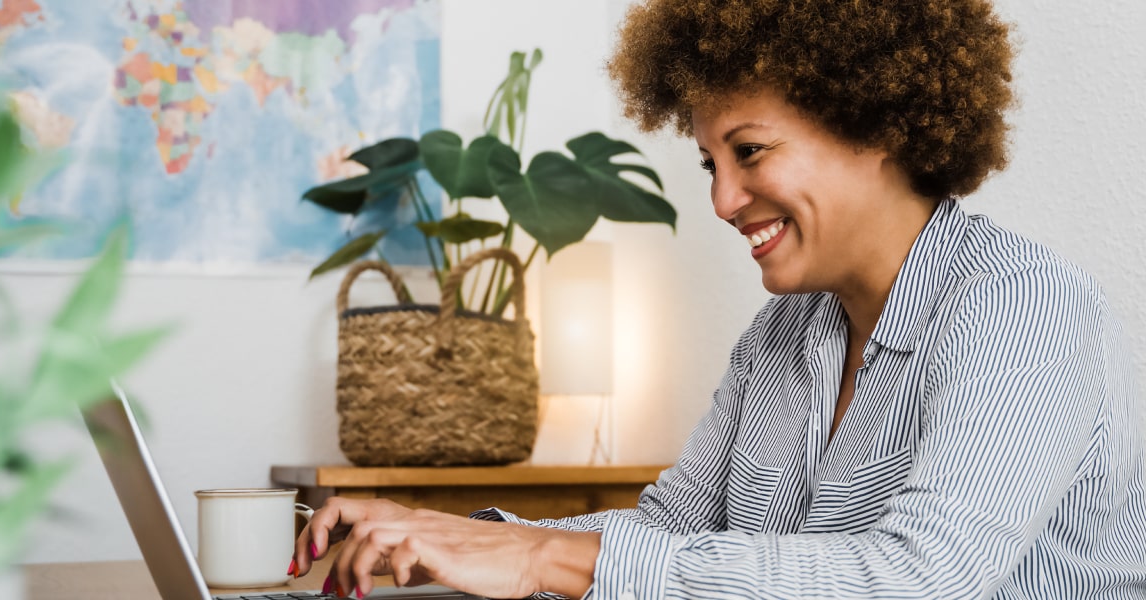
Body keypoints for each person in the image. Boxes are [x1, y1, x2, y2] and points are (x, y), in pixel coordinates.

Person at [291, 0, 1146, 597]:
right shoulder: (782, 335)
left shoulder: (1025, 309)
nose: (724, 201)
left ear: (879, 124)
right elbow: (668, 532)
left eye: (750, 152)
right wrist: (441, 536)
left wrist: (541, 559)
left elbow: (918, 580)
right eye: (711, 163)